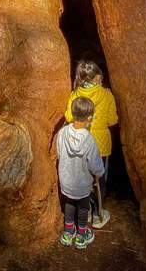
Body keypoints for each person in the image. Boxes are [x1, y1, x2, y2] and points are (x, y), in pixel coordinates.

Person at [64, 60, 118, 228]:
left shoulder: (75, 94)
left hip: (80, 142)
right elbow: (112, 120)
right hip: (100, 145)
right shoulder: (106, 94)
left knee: (83, 179)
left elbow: (68, 117)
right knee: (99, 179)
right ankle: (98, 215)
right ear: (98, 77)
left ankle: (85, 212)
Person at [56, 97, 105, 249]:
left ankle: (68, 232)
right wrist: (99, 173)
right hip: (82, 184)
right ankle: (81, 235)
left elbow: (59, 153)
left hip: (66, 180)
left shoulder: (63, 132)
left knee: (69, 203)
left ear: (72, 113)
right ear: (90, 117)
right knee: (83, 207)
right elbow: (95, 164)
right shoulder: (90, 140)